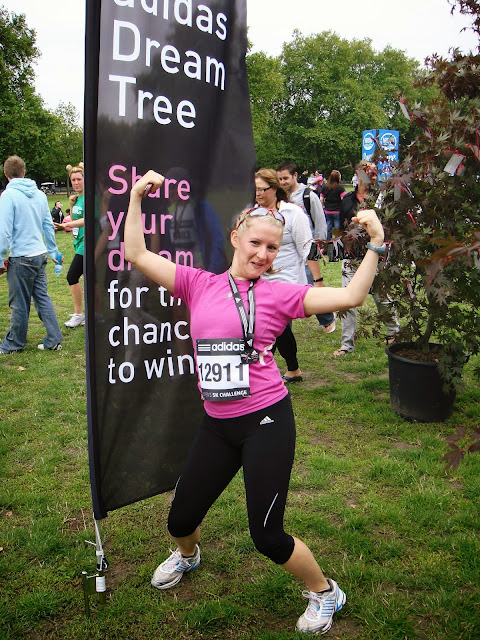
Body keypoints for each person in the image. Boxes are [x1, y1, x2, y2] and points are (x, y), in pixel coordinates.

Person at [124, 169, 385, 636]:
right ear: (235, 239)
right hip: (217, 424)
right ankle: (188, 553)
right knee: (180, 519)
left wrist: (377, 244)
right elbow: (137, 253)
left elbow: (351, 295)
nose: (263, 254)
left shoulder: (280, 294)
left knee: (266, 535)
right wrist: (136, 197)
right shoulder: (198, 284)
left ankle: (326, 591)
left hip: (266, 420)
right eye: (255, 244)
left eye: (272, 247)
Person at [333, 161, 400, 357]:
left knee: (382, 298)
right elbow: (342, 228)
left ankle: (394, 334)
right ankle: (346, 344)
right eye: (369, 172)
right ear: (359, 174)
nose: (373, 176)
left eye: (375, 173)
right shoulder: (347, 200)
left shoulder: (382, 199)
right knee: (347, 300)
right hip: (352, 258)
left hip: (376, 255)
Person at [0, 155, 63, 353]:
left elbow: (4, 230)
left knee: (19, 303)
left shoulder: (8, 196)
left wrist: (0, 257)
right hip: (39, 254)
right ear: (24, 172)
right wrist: (53, 250)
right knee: (42, 298)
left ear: (6, 174)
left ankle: (14, 344)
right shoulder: (39, 195)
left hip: (21, 257)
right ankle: (54, 339)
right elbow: (48, 225)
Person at [254, 168, 312, 383]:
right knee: (276, 328)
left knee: (272, 326)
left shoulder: (293, 213)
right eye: (255, 189)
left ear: (274, 189)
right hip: (261, 280)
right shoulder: (253, 214)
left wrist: (316, 280)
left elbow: (306, 247)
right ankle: (293, 369)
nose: (258, 193)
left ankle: (261, 372)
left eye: (262, 189)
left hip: (287, 282)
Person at [277, 161, 336, 334]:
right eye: (279, 179)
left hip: (307, 252)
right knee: (285, 291)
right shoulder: (278, 197)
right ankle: (283, 329)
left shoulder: (309, 196)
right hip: (287, 254)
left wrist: (319, 247)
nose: (282, 182)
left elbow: (320, 223)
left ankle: (327, 319)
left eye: (285, 178)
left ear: (295, 176)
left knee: (310, 288)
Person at [54, 163, 85, 328]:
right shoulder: (78, 198)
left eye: (79, 179)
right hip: (78, 242)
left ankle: (79, 314)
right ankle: (89, 314)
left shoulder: (89, 197)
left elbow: (86, 219)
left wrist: (66, 225)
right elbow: (74, 218)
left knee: (72, 276)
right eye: (73, 180)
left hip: (87, 244)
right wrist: (71, 204)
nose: (76, 182)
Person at [320, 170, 346, 240]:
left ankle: (328, 240)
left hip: (327, 210)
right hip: (337, 210)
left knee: (328, 225)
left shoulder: (325, 187)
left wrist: (323, 206)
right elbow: (344, 198)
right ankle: (337, 240)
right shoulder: (340, 188)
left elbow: (321, 199)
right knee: (337, 226)